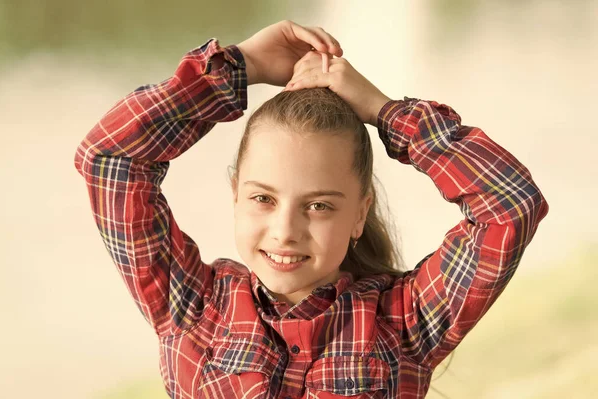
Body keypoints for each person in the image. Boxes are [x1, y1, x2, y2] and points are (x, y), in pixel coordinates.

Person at [73, 20, 548, 399]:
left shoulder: (405, 323)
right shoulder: (191, 307)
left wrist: (385, 111)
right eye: (263, 198)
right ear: (236, 194)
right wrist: (241, 67)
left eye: (318, 206)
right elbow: (111, 158)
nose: (285, 231)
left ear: (360, 214)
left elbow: (509, 205)